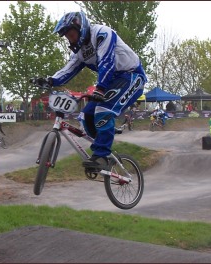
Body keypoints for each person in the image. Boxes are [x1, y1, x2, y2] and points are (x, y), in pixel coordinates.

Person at [35, 11, 147, 171]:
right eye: (67, 37)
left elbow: (106, 62)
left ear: (81, 27)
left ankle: (101, 154)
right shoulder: (80, 51)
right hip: (112, 82)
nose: (70, 39)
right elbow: (68, 69)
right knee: (85, 116)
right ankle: (104, 145)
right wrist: (49, 80)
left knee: (102, 110)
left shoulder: (102, 33)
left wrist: (100, 88)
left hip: (131, 76)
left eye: (71, 34)